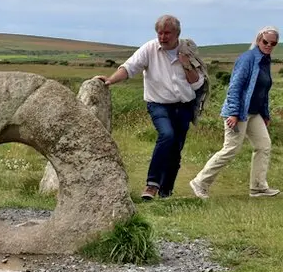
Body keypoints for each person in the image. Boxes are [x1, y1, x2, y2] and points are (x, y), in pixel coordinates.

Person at [96, 14, 206, 200]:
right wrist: (110, 80)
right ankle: (151, 185)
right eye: (159, 33)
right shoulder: (149, 49)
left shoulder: (188, 51)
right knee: (167, 136)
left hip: (184, 107)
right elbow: (129, 67)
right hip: (158, 105)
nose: (162, 37)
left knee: (175, 150)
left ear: (177, 33)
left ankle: (166, 192)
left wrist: (186, 65)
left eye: (167, 33)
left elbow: (196, 84)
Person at [189, 26, 280, 199]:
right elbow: (235, 87)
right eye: (265, 41)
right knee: (231, 149)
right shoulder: (247, 59)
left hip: (254, 113)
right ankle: (200, 182)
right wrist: (233, 112)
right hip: (238, 113)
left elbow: (263, 90)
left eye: (273, 43)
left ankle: (258, 187)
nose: (268, 45)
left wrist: (265, 114)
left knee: (263, 145)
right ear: (258, 39)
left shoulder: (266, 61)